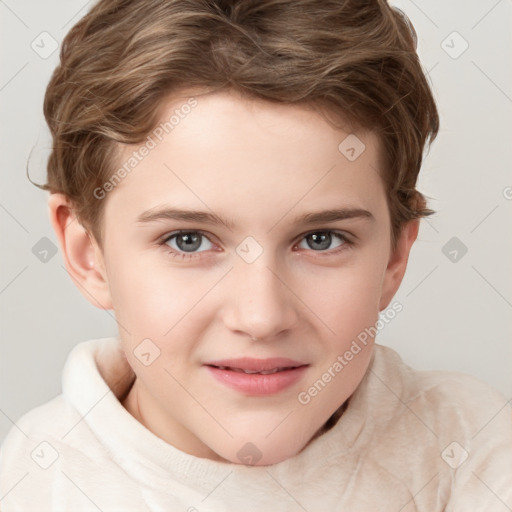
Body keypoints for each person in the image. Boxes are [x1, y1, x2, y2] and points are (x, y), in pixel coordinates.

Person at [1, 0, 511, 510]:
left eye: (321, 239)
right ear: (88, 253)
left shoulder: (476, 453)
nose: (262, 317)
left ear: (396, 256)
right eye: (188, 240)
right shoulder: (28, 488)